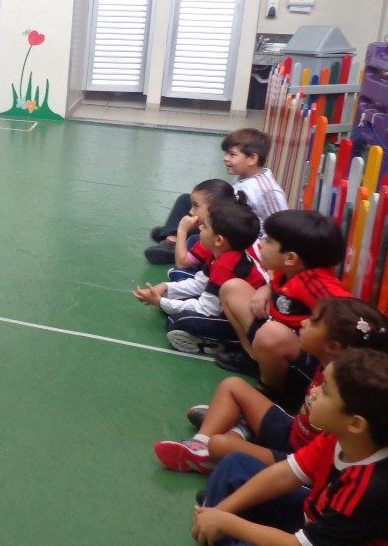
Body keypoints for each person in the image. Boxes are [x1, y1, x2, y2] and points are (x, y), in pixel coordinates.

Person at [154, 298, 388, 474]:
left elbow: (317, 460)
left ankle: (219, 446)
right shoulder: (325, 365)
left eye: (314, 322)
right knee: (232, 385)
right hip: (291, 431)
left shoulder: (348, 395)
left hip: (295, 458)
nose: (304, 322)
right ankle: (201, 443)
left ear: (333, 346)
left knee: (221, 444)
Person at [192, 348, 388, 546]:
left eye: (326, 391)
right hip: (314, 520)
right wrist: (220, 511)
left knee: (228, 517)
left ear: (356, 424)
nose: (314, 391)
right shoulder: (338, 435)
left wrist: (227, 523)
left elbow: (299, 545)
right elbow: (285, 474)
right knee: (235, 464)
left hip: (313, 539)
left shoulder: (367, 488)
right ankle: (213, 519)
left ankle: (215, 522)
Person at [217, 210, 350, 404]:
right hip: (273, 336)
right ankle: (255, 359)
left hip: (301, 357)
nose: (261, 244)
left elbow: (349, 315)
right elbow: (277, 287)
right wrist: (266, 290)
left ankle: (273, 391)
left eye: (269, 241)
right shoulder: (285, 271)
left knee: (271, 334)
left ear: (290, 258)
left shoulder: (315, 283)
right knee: (232, 288)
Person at [133, 197, 266, 354]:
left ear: (218, 240)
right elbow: (199, 284)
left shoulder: (226, 264)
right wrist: (165, 288)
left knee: (177, 321)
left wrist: (160, 302)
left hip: (247, 325)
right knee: (176, 291)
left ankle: (223, 343)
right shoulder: (220, 253)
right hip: (219, 305)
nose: (200, 228)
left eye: (205, 226)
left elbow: (206, 309)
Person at [145, 128, 286, 265]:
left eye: (232, 154)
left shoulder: (267, 191)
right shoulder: (245, 177)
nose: (225, 159)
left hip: (239, 237)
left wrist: (264, 250)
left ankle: (175, 240)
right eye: (226, 154)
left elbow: (280, 227)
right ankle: (172, 237)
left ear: (252, 159)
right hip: (226, 223)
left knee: (196, 235)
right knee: (186, 200)